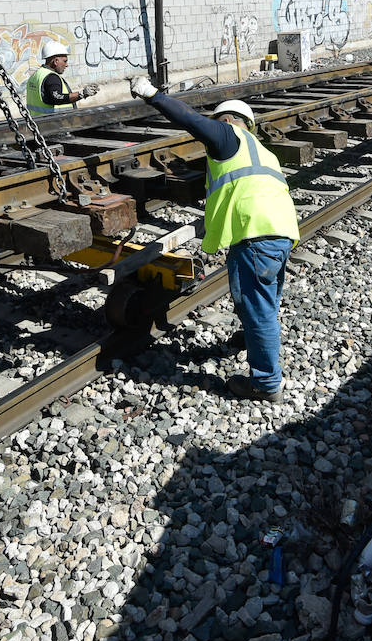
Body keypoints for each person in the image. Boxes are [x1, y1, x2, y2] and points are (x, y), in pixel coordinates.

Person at [128, 74, 300, 403]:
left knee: (258, 309)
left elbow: (190, 120)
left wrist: (153, 95)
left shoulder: (227, 133)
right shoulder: (262, 151)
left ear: (231, 120)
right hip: (281, 232)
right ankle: (252, 340)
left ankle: (266, 385)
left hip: (254, 234)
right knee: (265, 302)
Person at [26, 40, 97, 115]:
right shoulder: (51, 78)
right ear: (56, 61)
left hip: (37, 121)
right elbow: (57, 98)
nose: (67, 65)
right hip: (54, 122)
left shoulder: (36, 75)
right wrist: (82, 94)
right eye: (64, 61)